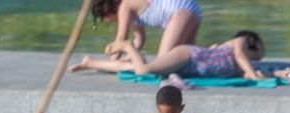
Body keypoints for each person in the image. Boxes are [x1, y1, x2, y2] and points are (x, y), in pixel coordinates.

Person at [71, 30, 272, 81]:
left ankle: (92, 62)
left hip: (187, 66)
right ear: (255, 42)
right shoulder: (241, 42)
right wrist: (252, 73)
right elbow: (241, 57)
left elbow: (245, 67)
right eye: (262, 50)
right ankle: (127, 46)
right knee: (144, 70)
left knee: (135, 68)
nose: (260, 56)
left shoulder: (241, 62)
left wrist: (257, 74)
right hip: (189, 55)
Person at [91, 0, 202, 59]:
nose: (108, 21)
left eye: (105, 18)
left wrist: (113, 61)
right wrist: (131, 57)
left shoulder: (124, 6)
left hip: (179, 10)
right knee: (186, 59)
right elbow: (139, 39)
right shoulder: (131, 10)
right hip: (190, 8)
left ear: (108, 11)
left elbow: (121, 39)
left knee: (163, 63)